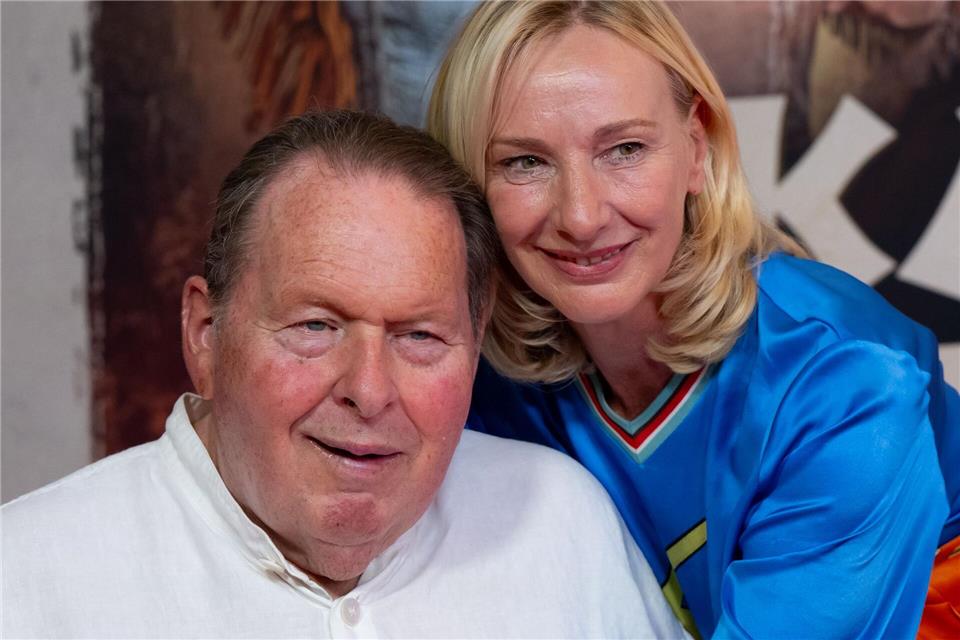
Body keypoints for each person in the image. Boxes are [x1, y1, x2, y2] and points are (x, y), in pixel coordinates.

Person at [1, 110, 686, 639]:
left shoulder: (560, 524)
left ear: (475, 346)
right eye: (316, 327)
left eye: (419, 336)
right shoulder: (27, 576)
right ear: (206, 336)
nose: (369, 389)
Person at [427, 2, 960, 638]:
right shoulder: (477, 379)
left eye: (624, 149)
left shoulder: (845, 379)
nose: (581, 215)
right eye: (525, 163)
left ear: (696, 150)